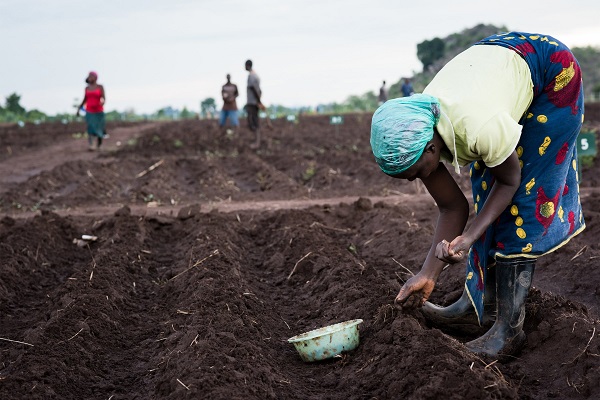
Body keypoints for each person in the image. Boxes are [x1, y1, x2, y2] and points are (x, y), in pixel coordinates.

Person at [370, 32, 584, 360]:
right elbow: (451, 205)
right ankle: (479, 306)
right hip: (497, 70)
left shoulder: (476, 125)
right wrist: (428, 274)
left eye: (414, 172)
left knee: (523, 198)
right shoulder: (422, 124)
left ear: (431, 148)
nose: (415, 179)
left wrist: (469, 236)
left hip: (551, 74)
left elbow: (510, 181)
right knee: (487, 189)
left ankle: (508, 331)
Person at [76, 71, 106, 151]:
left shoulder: (100, 87)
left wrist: (102, 102)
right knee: (90, 128)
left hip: (99, 111)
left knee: (99, 128)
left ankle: (99, 144)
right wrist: (79, 108)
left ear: (95, 78)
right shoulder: (87, 88)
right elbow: (84, 99)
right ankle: (92, 145)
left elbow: (103, 98)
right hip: (89, 111)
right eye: (89, 76)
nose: (89, 78)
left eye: (91, 76)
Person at [245, 59, 263, 148]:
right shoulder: (256, 76)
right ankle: (256, 141)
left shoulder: (251, 76)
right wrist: (259, 100)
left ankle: (257, 143)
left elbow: (254, 89)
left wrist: (258, 101)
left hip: (252, 102)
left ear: (247, 65)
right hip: (254, 102)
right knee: (253, 122)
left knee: (254, 122)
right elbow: (260, 90)